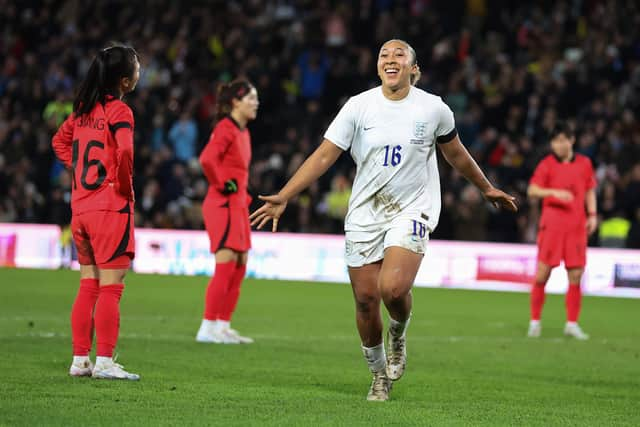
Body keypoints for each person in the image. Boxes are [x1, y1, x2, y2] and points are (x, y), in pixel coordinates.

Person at [250, 39, 517, 401]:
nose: (391, 60)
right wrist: (285, 194)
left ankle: (399, 331)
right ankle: (378, 376)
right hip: (365, 212)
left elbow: (455, 153)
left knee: (391, 289)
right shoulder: (359, 107)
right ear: (378, 66)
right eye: (383, 56)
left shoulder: (433, 109)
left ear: (413, 67)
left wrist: (486, 188)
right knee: (364, 300)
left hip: (413, 209)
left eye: (399, 55)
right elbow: (326, 154)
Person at [51, 45, 140, 380]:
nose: (139, 70)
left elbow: (58, 142)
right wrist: (122, 184)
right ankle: (104, 361)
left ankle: (79, 360)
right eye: (137, 65)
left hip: (81, 208)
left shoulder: (82, 112)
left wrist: (77, 172)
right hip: (109, 207)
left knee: (88, 283)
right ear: (125, 80)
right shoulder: (120, 112)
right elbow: (126, 150)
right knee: (111, 286)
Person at [195, 79, 259, 344]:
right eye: (251, 99)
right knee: (226, 264)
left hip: (238, 204)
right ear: (236, 102)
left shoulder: (243, 132)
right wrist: (223, 183)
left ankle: (222, 325)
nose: (256, 103)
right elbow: (207, 159)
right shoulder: (226, 128)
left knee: (240, 265)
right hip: (222, 203)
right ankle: (207, 327)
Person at [527, 122, 597, 340]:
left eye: (562, 140)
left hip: (576, 226)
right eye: (555, 141)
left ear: (572, 140)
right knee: (542, 273)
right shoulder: (546, 164)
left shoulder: (585, 163)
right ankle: (535, 322)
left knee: (576, 275)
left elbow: (589, 190)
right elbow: (532, 190)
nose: (558, 145)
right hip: (552, 227)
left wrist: (593, 214)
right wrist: (555, 193)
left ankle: (571, 324)